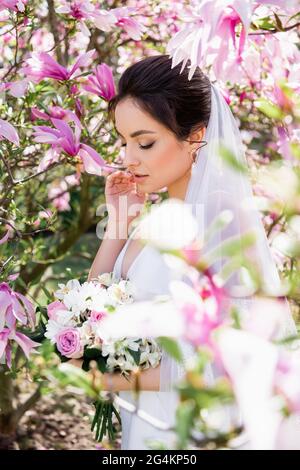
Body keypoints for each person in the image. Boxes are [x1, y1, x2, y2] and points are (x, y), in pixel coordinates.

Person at [85, 54, 297, 449]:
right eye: (124, 141)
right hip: (146, 424)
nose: (129, 158)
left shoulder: (222, 221)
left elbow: (230, 363)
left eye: (145, 142)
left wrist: (107, 377)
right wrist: (117, 225)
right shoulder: (156, 218)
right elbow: (93, 309)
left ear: (196, 136)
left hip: (192, 430)